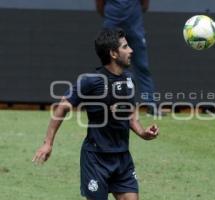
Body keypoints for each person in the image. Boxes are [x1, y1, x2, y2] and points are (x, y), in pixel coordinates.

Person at [32, 28, 159, 200]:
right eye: (125, 47)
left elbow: (130, 115)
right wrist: (48, 143)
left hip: (122, 157)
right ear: (113, 53)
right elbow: (62, 107)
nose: (131, 50)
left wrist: (143, 133)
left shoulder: (129, 80)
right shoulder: (91, 80)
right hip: (96, 159)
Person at [95, 0, 164, 116]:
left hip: (134, 27)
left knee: (142, 67)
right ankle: (105, 104)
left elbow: (145, 4)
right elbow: (100, 5)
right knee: (108, 68)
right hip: (112, 26)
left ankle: (151, 105)